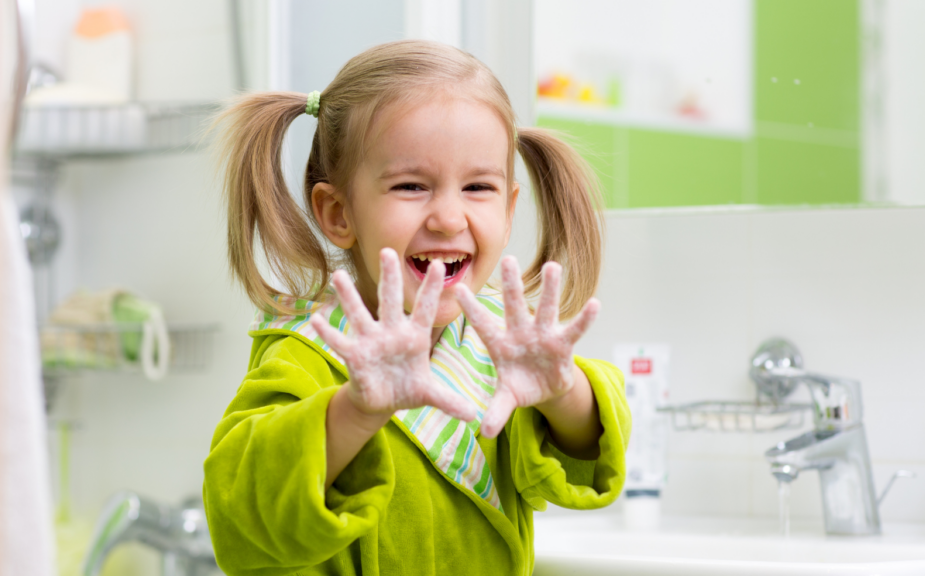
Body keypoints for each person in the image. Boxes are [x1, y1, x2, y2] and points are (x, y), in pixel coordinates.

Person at [203, 39, 630, 576]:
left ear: (509, 207)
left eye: (478, 187)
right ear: (338, 213)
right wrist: (354, 411)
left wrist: (563, 392)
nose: (450, 218)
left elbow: (584, 458)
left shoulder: (501, 348)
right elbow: (241, 509)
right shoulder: (307, 352)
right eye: (411, 186)